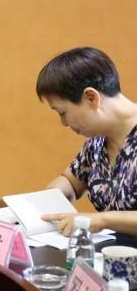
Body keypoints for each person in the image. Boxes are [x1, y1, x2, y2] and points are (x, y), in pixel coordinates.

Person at [36, 47, 137, 236]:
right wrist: (45, 201)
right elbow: (70, 181)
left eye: (62, 112)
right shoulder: (98, 140)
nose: (64, 123)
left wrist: (101, 220)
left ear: (91, 98)